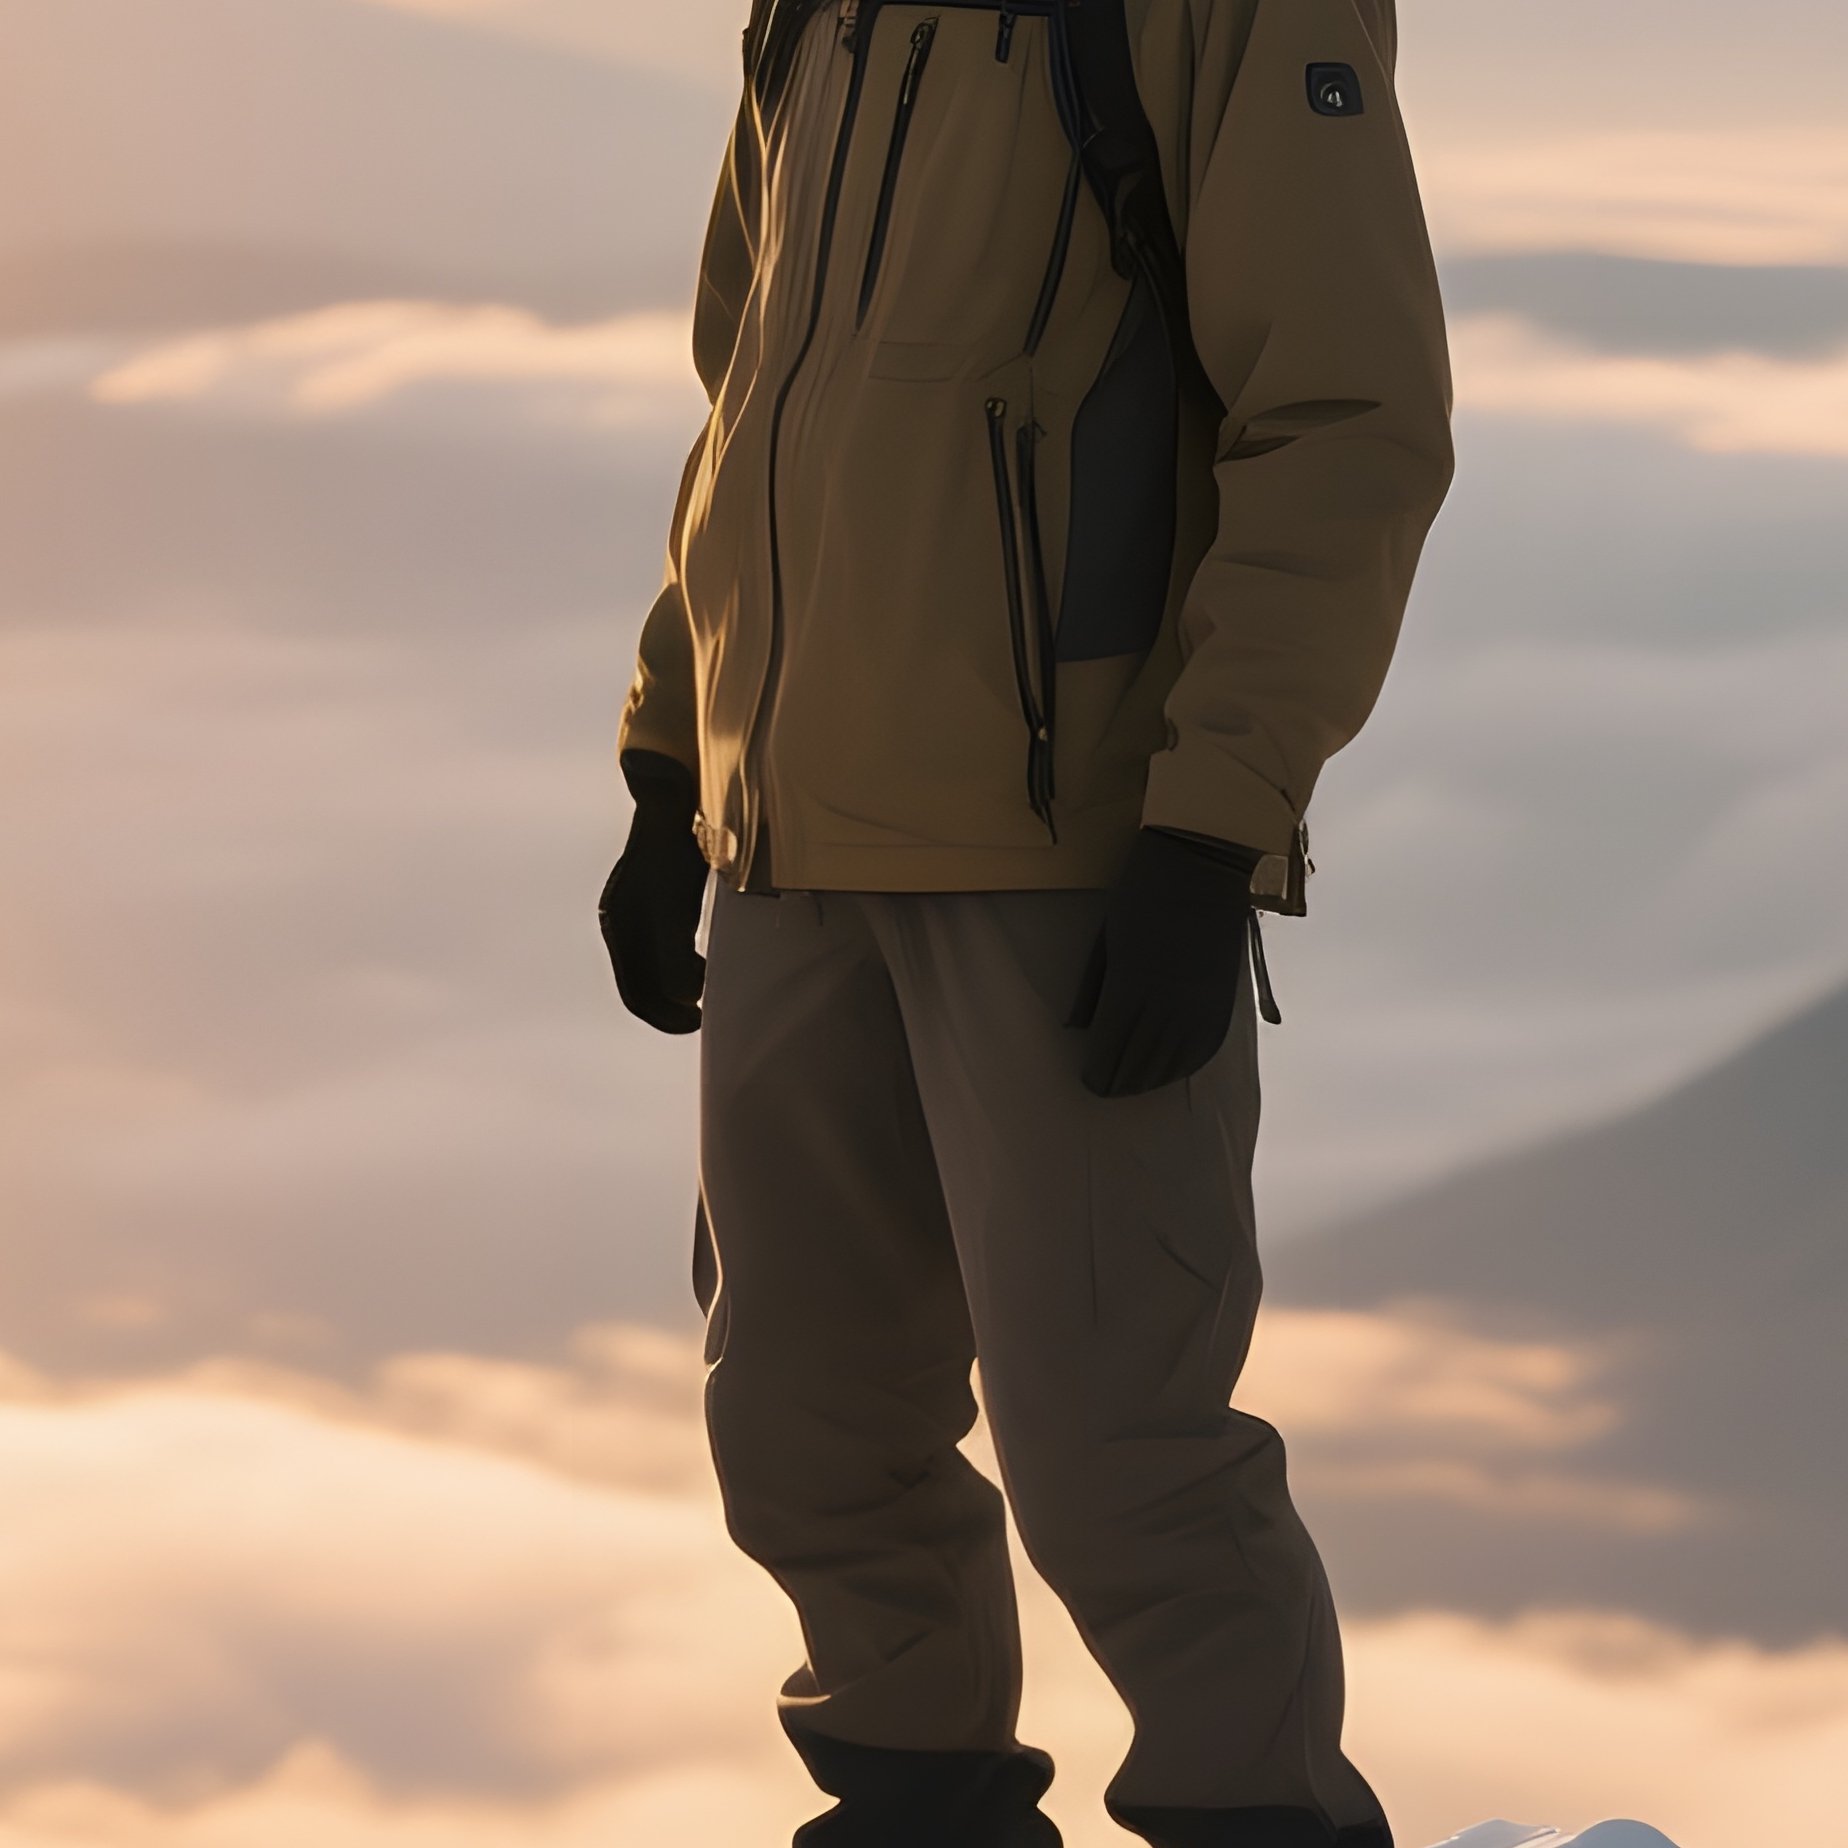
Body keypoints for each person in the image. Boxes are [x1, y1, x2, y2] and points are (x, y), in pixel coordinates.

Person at [600, 0, 1454, 1842]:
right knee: (809, 1429)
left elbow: (1351, 418)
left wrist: (1212, 827)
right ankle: (919, 1811)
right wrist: (677, 761)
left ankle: (1261, 1820)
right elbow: (750, 391)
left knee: (1121, 1459)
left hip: (1071, 855)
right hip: (792, 839)